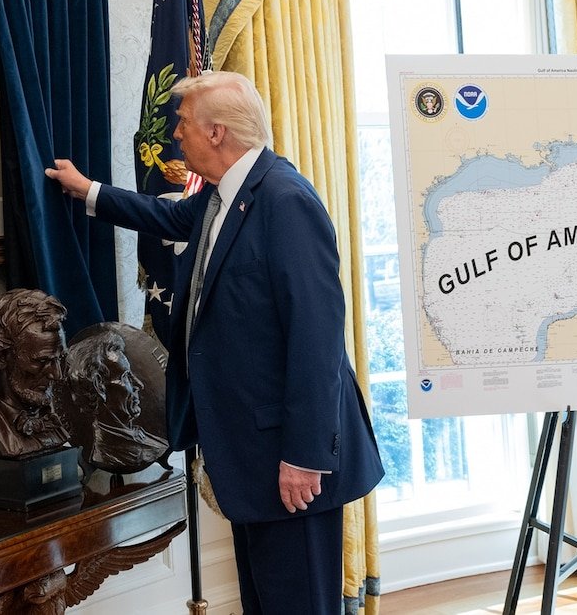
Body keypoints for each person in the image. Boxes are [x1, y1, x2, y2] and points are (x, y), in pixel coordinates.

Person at [46, 70, 383, 614]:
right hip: (251, 458)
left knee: (298, 604)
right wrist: (90, 192)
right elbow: (166, 215)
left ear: (218, 132)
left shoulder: (284, 200)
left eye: (183, 124)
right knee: (266, 603)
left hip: (290, 462)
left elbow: (317, 341)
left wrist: (303, 455)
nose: (176, 136)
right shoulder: (222, 198)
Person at [0, 288, 72, 459]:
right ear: (2, 356)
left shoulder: (52, 421)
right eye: (41, 361)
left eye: (58, 359)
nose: (56, 374)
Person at [66, 327, 167, 474]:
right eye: (125, 376)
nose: (139, 384)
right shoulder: (111, 451)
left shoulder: (146, 441)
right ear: (99, 387)